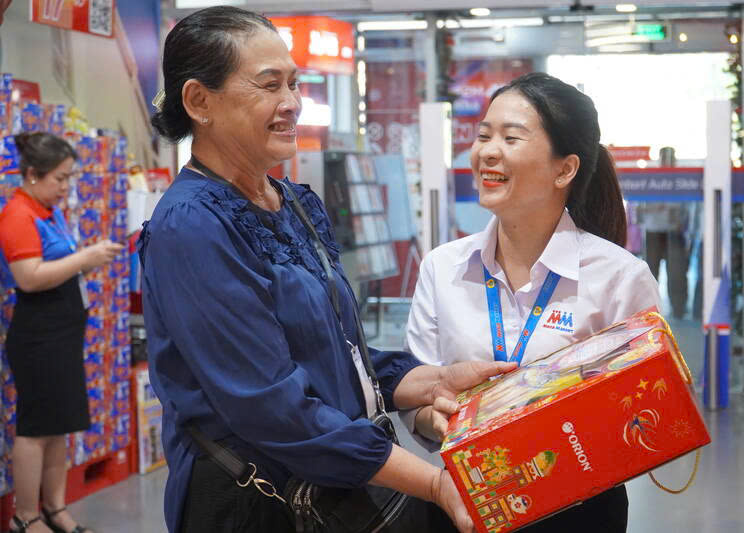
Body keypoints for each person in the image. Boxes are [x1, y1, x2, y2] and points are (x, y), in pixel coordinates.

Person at [140, 7, 512, 533]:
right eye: (270, 85)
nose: (292, 103)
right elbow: (269, 405)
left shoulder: (291, 202)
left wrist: (427, 381)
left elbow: (337, 349)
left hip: (329, 489)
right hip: (254, 504)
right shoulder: (191, 228)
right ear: (200, 101)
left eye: (294, 83)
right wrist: (432, 482)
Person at [405, 72, 661, 532]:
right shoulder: (442, 269)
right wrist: (432, 417)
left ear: (564, 169)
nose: (487, 151)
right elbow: (415, 392)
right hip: (463, 502)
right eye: (483, 135)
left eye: (510, 137)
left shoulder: (619, 278)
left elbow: (641, 415)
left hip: (578, 511)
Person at [0, 132, 123, 533]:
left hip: (63, 334)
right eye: (60, 179)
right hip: (38, 337)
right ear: (33, 175)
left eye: (70, 178)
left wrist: (89, 260)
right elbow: (29, 278)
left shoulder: (47, 211)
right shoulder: (18, 215)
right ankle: (25, 515)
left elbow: (60, 265)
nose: (66, 188)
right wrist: (83, 258)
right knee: (36, 429)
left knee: (59, 426)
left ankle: (54, 508)